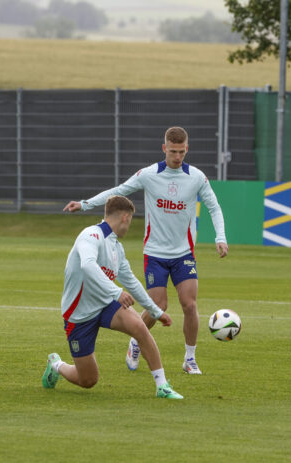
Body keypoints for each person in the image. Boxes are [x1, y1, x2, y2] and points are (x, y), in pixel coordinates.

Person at [63, 126, 227, 375]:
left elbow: (214, 207)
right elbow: (118, 191)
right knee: (158, 303)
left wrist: (220, 237)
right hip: (155, 253)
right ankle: (136, 341)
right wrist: (85, 204)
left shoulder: (196, 177)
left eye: (182, 151)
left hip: (184, 252)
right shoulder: (149, 175)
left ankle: (190, 359)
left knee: (189, 305)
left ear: (187, 149)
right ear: (164, 148)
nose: (177, 156)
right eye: (173, 151)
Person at [43, 195, 183, 399]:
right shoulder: (91, 235)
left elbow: (132, 282)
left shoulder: (116, 247)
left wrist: (155, 311)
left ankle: (162, 386)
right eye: (131, 220)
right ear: (125, 217)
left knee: (139, 328)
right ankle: (56, 365)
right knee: (88, 380)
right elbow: (87, 265)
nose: (129, 226)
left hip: (105, 305)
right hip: (79, 314)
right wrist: (116, 292)